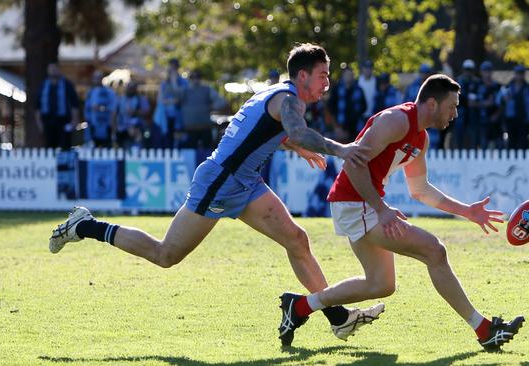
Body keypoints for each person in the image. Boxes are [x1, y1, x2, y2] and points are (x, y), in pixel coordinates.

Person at [48, 43, 382, 347]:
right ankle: (86, 225)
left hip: (245, 182)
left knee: (297, 239)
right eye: (323, 75)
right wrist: (340, 148)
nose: (327, 82)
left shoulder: (279, 96)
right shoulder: (289, 99)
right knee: (165, 256)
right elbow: (294, 129)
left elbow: (271, 131)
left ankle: (336, 318)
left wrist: (296, 147)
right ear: (303, 75)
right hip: (220, 183)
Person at [278, 74, 524, 351]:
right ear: (432, 103)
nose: (455, 113)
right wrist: (381, 209)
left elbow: (420, 189)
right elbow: (353, 165)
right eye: (452, 105)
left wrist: (467, 211)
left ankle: (299, 306)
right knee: (435, 251)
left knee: (381, 284)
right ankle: (484, 329)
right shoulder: (395, 120)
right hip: (355, 202)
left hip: (362, 204)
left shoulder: (421, 138)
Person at [34, 62, 80, 149]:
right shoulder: (44, 85)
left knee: (65, 146)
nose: (53, 71)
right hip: (48, 122)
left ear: (59, 70)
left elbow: (74, 104)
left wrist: (74, 121)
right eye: (50, 69)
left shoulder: (67, 84)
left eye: (54, 69)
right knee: (49, 147)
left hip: (63, 121)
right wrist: (39, 123)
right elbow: (37, 106)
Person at [180, 69, 227, 150]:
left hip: (205, 127)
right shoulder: (184, 90)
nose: (195, 79)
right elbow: (172, 98)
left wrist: (212, 107)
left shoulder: (207, 89)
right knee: (190, 153)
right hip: (189, 129)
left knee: (207, 152)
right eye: (193, 77)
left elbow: (222, 101)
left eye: (198, 76)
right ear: (189, 78)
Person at [327, 66, 367, 142]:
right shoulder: (337, 89)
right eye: (347, 75)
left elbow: (364, 106)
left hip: (356, 128)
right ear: (343, 76)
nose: (349, 77)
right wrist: (336, 126)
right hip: (340, 127)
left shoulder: (359, 90)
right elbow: (330, 106)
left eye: (350, 75)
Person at [154, 58, 187, 148]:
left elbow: (181, 98)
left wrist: (174, 82)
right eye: (170, 67)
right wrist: (171, 101)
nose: (171, 70)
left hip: (179, 117)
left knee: (177, 142)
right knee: (166, 141)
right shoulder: (164, 83)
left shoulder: (183, 82)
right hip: (165, 117)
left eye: (174, 67)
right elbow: (160, 100)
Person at [83, 70, 117, 147]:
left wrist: (101, 108)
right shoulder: (89, 92)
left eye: (99, 77)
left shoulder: (109, 92)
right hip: (92, 126)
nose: (96, 79)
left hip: (106, 126)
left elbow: (113, 109)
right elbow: (86, 109)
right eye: (95, 77)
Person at [115, 81, 151, 149]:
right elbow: (115, 114)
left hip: (137, 130)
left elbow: (147, 112)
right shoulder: (120, 99)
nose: (130, 90)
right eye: (129, 88)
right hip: (123, 130)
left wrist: (135, 112)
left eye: (132, 88)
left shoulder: (141, 99)